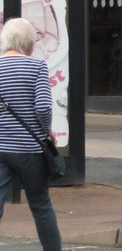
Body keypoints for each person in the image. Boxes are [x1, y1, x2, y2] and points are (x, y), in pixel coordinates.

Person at [0, 17, 63, 251]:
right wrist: (46, 130)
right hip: (30, 151)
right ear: (28, 43)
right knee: (40, 205)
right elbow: (44, 108)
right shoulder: (37, 67)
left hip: (1, 148)